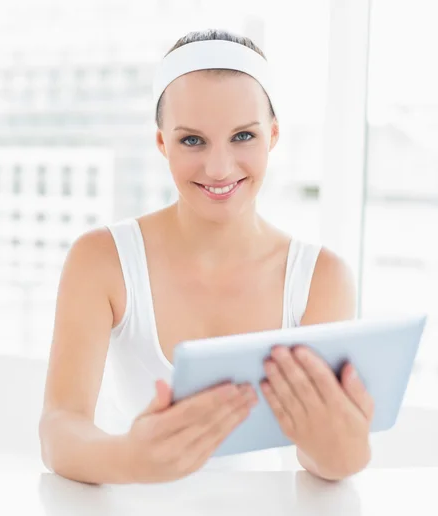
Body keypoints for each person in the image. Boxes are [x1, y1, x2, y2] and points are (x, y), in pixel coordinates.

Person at [39, 29, 375, 485]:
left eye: (242, 136)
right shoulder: (102, 260)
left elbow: (317, 459)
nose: (219, 168)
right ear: (162, 143)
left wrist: (346, 449)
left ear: (272, 136)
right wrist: (130, 460)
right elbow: (60, 427)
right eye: (192, 141)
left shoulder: (321, 278)